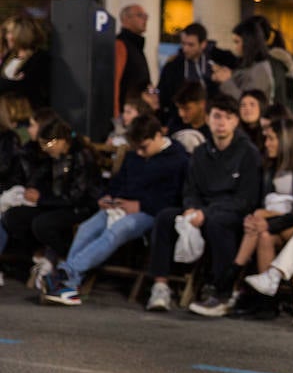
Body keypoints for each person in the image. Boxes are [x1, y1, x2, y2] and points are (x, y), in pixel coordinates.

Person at [39, 114, 189, 306]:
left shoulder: (178, 159)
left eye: (144, 147)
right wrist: (108, 196)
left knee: (117, 231)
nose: (141, 153)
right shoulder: (135, 154)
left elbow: (175, 197)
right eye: (137, 149)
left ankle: (65, 272)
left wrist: (141, 206)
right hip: (120, 205)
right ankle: (70, 284)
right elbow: (119, 181)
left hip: (150, 212)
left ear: (158, 136)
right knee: (87, 228)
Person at [144, 94, 262, 316]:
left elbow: (246, 199)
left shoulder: (248, 153)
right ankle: (160, 286)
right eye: (217, 117)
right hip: (200, 208)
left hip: (230, 212)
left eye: (228, 117)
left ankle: (221, 292)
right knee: (165, 217)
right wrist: (191, 208)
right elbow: (190, 189)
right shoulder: (200, 152)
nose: (222, 123)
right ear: (208, 119)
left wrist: (205, 214)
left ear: (236, 121)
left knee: (218, 224)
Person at [230, 116, 293, 304]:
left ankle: (231, 278)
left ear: (286, 141)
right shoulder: (269, 166)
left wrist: (268, 219)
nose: (267, 144)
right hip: (273, 224)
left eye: (271, 139)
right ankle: (266, 300)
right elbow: (261, 201)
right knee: (263, 234)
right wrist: (257, 216)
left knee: (262, 228)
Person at [0, 115, 101, 286]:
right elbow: (40, 178)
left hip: (77, 206)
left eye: (47, 144)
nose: (45, 148)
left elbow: (77, 196)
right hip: (53, 203)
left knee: (43, 223)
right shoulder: (52, 158)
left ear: (61, 141)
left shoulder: (81, 156)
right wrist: (33, 191)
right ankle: (40, 252)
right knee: (14, 216)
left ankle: (63, 257)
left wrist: (42, 199)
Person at [155, 23, 234, 123]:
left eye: (191, 45)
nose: (186, 49)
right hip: (180, 120)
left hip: (212, 119)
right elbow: (162, 94)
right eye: (183, 44)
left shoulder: (219, 62)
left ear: (203, 44)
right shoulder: (173, 66)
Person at [212, 19, 277, 104]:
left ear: (248, 42)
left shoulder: (260, 70)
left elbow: (248, 104)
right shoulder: (250, 64)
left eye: (237, 42)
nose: (235, 47)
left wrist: (226, 81)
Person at [0, 13, 51, 109]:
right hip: (6, 114)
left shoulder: (39, 58)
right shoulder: (10, 56)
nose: (7, 37)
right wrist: (10, 82)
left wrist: (8, 83)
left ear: (21, 34)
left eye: (10, 33)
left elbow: (26, 87)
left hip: (28, 114)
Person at [114, 4, 151, 117]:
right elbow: (115, 81)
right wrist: (116, 113)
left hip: (138, 113)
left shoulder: (136, 46)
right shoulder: (121, 45)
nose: (145, 19)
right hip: (126, 113)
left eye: (146, 16)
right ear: (125, 19)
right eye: (140, 15)